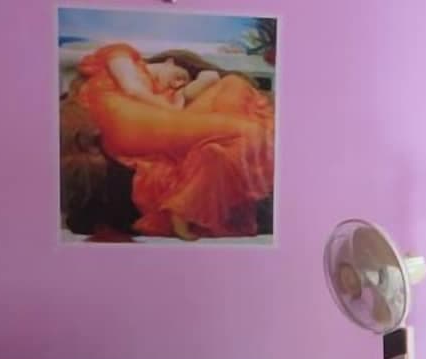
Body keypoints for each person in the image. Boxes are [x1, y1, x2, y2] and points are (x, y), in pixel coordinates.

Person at [61, 43, 274, 241]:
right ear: (169, 61)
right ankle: (185, 205)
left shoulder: (165, 93)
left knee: (233, 84)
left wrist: (194, 86)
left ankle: (205, 172)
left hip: (149, 123)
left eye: (183, 82)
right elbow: (132, 88)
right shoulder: (121, 52)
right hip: (125, 121)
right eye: (181, 75)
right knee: (252, 131)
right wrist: (172, 106)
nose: (179, 83)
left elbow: (199, 91)